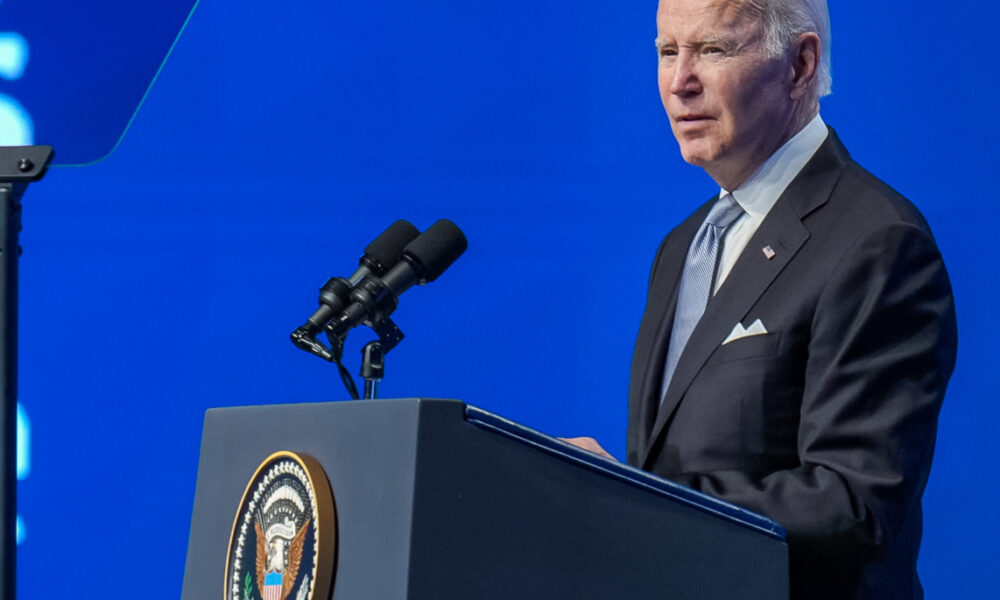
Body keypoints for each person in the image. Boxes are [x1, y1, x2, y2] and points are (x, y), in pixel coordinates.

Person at [565, 0, 958, 598]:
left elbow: (854, 504)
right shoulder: (684, 244)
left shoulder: (876, 241)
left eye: (713, 50)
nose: (679, 82)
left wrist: (629, 495)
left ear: (800, 64)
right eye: (668, 51)